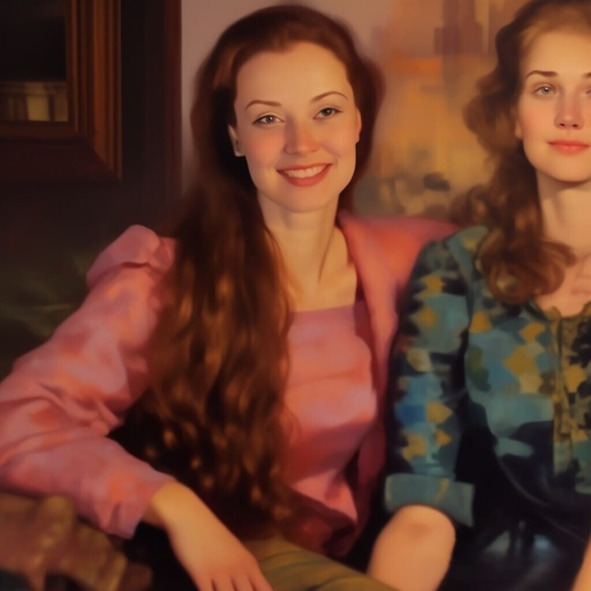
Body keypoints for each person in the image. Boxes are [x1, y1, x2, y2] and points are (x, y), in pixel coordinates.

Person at [0, 5, 452, 590]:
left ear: (358, 121)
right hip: (218, 561)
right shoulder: (163, 282)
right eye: (268, 119)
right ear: (235, 137)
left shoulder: (421, 258)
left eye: (327, 111)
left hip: (369, 560)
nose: (302, 143)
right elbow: (18, 419)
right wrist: (177, 508)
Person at [368, 0, 591, 590]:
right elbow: (424, 505)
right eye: (545, 89)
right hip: (490, 570)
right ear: (514, 114)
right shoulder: (455, 270)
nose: (570, 115)